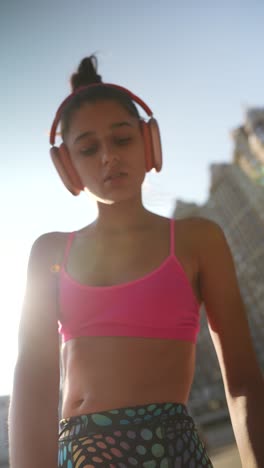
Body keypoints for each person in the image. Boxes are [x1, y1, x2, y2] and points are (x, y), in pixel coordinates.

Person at [8, 55, 264, 468]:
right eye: (89, 148)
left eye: (122, 140)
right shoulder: (49, 253)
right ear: (67, 167)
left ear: (150, 144)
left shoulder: (199, 240)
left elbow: (244, 385)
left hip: (176, 453)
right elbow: (34, 393)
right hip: (83, 454)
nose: (108, 156)